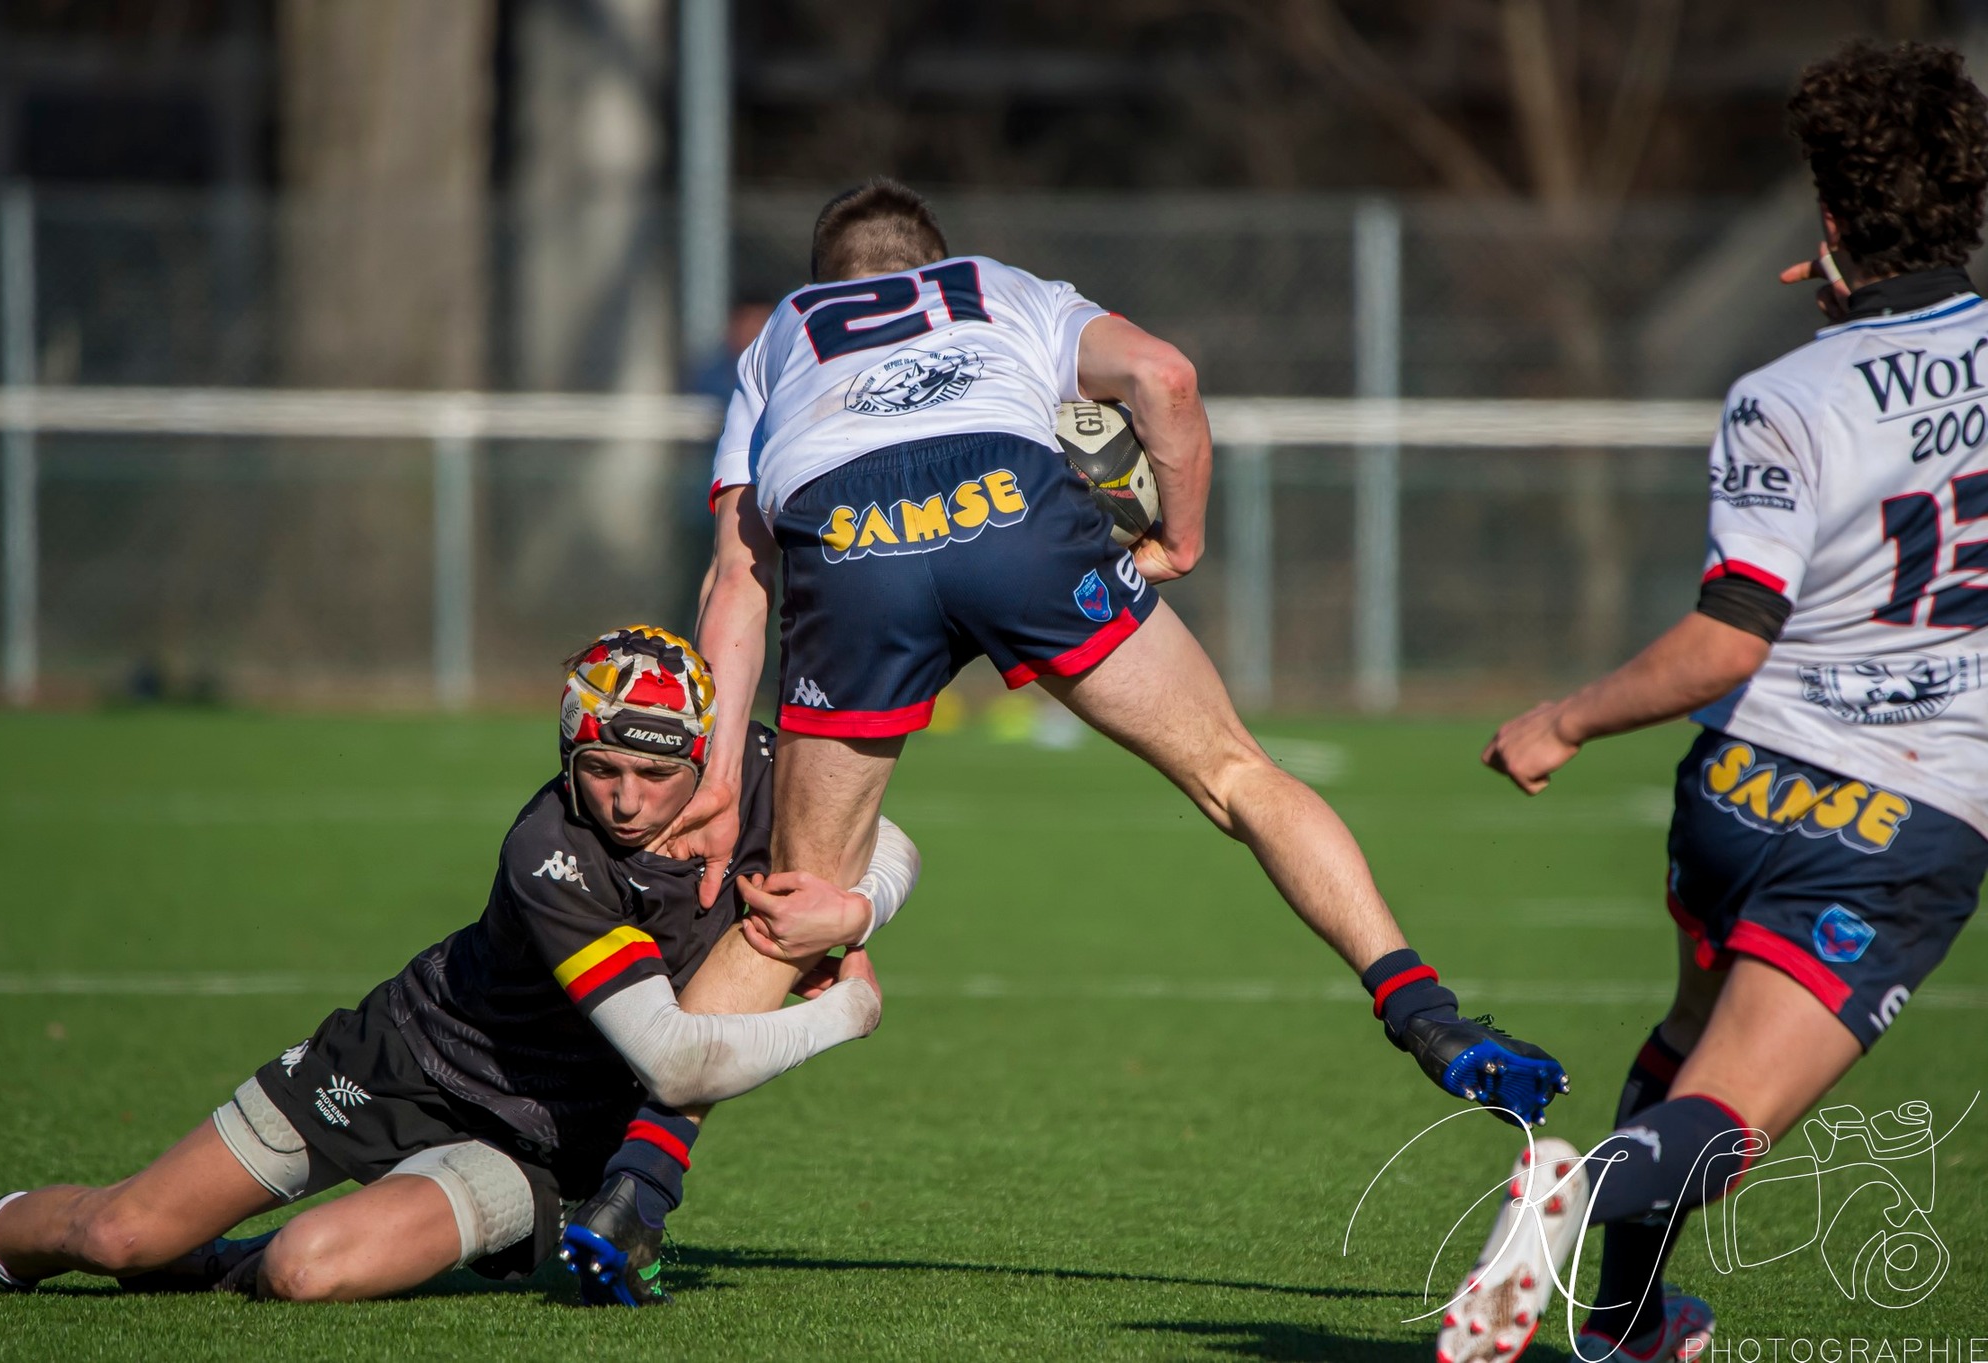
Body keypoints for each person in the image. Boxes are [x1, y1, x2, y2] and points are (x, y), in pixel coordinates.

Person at [665, 177, 1568, 1126]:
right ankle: (1424, 1012)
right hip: (1011, 512)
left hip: (854, 543)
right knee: (1236, 772)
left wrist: (719, 778)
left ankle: (636, 1178)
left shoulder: (782, 335)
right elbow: (1166, 377)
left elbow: (737, 579)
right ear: (933, 261)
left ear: (826, 280)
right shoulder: (998, 286)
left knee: (796, 905)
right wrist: (1181, 539)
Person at [1444, 41, 1988, 1363]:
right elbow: (1733, 635)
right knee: (1722, 1116)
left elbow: (1729, 640)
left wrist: (1562, 717)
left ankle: (1626, 1318)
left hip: (1743, 793)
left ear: (1835, 223)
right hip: (1906, 809)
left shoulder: (1785, 394)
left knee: (1691, 1038)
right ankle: (1574, 1197)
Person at [0, 626, 918, 1307]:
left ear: (701, 755)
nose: (624, 798)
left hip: (529, 1150)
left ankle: (223, 1263)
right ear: (566, 752)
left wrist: (856, 903)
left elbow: (888, 842)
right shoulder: (551, 849)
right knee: (118, 1235)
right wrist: (845, 1016)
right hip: (391, 1061)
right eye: (599, 769)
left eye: (654, 773)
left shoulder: (757, 772)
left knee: (302, 1271)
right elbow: (671, 1065)